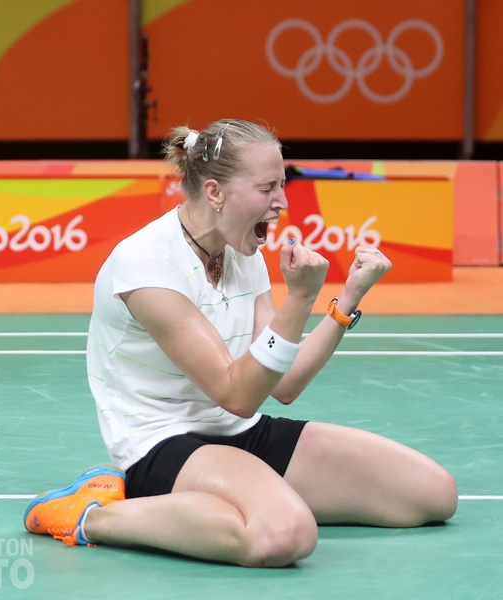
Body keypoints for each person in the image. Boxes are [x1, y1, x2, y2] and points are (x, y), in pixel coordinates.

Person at [24, 118, 458, 567]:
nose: (282, 202)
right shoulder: (148, 265)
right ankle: (90, 514)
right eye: (267, 188)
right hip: (163, 444)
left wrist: (346, 300)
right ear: (215, 193)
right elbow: (236, 394)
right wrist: (300, 298)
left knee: (431, 494)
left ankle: (231, 501)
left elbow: (283, 383)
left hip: (237, 432)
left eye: (282, 185)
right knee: (283, 534)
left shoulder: (239, 252)